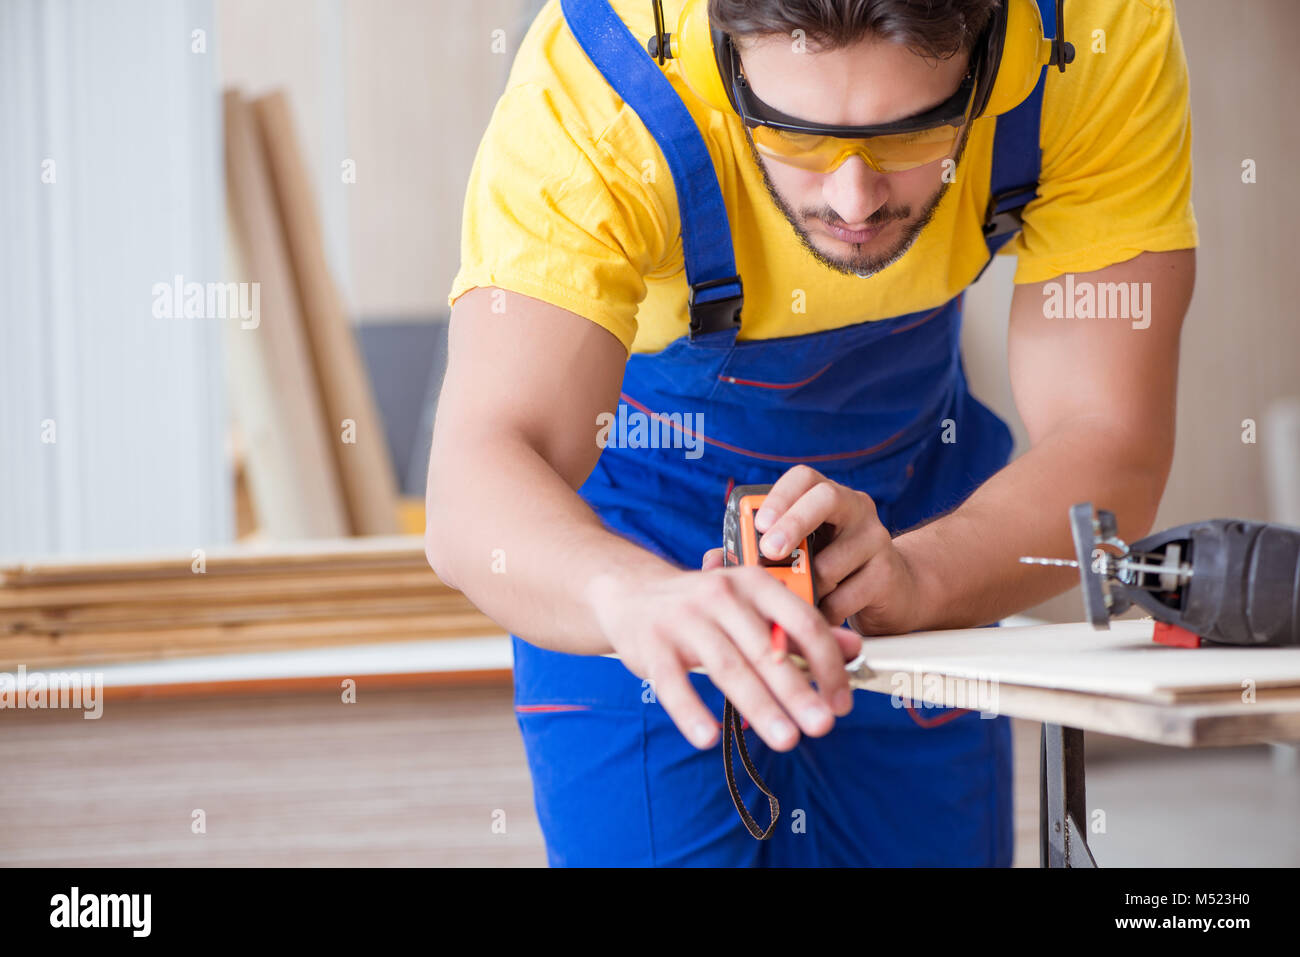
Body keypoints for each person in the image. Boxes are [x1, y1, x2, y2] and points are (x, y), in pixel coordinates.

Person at [426, 0, 1197, 866]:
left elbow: (1112, 440)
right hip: (637, 546)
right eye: (794, 137)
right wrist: (633, 598)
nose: (853, 198)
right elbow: (478, 471)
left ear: (986, 52)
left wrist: (923, 575)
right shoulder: (598, 89)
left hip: (921, 517)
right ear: (727, 54)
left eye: (912, 136)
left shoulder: (1087, 40)